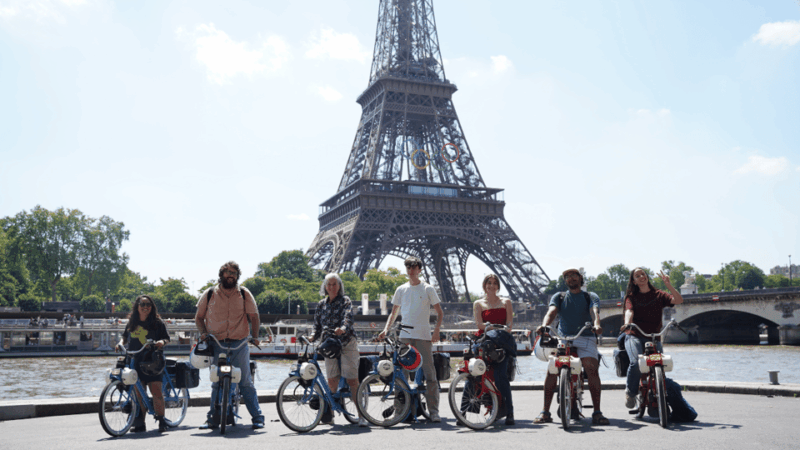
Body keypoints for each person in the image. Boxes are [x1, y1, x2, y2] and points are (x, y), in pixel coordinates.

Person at [195, 261, 264, 430]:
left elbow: (254, 317)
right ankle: (212, 418)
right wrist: (204, 333)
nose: (230, 275)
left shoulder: (244, 293)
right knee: (216, 381)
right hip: (217, 343)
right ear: (221, 275)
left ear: (237, 275)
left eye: (233, 272)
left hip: (239, 342)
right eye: (227, 272)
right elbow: (198, 317)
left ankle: (257, 417)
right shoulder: (210, 293)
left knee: (245, 381)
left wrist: (255, 336)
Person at [534, 268, 608, 425]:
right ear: (565, 281)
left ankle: (597, 412)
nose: (571, 278)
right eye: (567, 277)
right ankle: (545, 411)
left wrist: (596, 324)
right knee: (552, 369)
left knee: (591, 368)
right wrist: (544, 325)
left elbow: (594, 311)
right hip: (564, 338)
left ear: (580, 278)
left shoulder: (590, 296)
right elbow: (552, 312)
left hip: (586, 336)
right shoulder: (559, 297)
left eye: (574, 275)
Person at [379, 256, 444, 423]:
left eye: (414, 267)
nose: (411, 270)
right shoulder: (401, 289)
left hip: (423, 335)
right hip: (405, 336)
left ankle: (434, 411)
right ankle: (399, 411)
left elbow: (440, 312)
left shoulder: (428, 288)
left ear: (420, 269)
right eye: (408, 267)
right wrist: (386, 329)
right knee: (401, 374)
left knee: (430, 373)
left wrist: (436, 331)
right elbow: (393, 313)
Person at [620, 268, 687, 412]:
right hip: (634, 335)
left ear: (647, 277)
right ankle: (630, 393)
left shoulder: (659, 294)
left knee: (659, 367)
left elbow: (679, 300)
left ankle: (657, 396)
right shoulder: (631, 297)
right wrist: (627, 323)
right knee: (637, 362)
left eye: (643, 274)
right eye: (637, 276)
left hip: (654, 337)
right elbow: (629, 310)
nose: (641, 277)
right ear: (634, 281)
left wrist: (668, 285)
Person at [308, 273, 368, 427]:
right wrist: (312, 336)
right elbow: (317, 325)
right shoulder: (321, 304)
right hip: (329, 344)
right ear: (325, 287)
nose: (331, 287)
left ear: (339, 286)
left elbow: (348, 317)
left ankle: (361, 415)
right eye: (329, 284)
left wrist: (342, 328)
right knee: (332, 380)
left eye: (334, 284)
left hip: (346, 342)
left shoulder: (345, 301)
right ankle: (329, 414)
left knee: (352, 380)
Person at [115, 295, 170, 433]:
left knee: (156, 391)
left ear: (152, 307)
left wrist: (161, 342)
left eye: (148, 304)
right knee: (139, 393)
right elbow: (125, 337)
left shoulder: (157, 322)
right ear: (137, 306)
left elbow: (166, 338)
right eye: (142, 304)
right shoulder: (132, 322)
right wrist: (120, 343)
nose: (145, 307)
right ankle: (140, 422)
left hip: (152, 360)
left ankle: (161, 419)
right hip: (135, 359)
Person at [472, 274, 515, 425]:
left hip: (501, 342)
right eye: (488, 283)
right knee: (475, 373)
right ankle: (466, 409)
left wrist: (492, 328)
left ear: (498, 286)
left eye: (495, 283)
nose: (491, 285)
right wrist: (492, 328)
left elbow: (509, 326)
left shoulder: (506, 302)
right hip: (485, 341)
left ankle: (509, 412)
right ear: (484, 285)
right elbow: (479, 324)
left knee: (500, 376)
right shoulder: (478, 303)